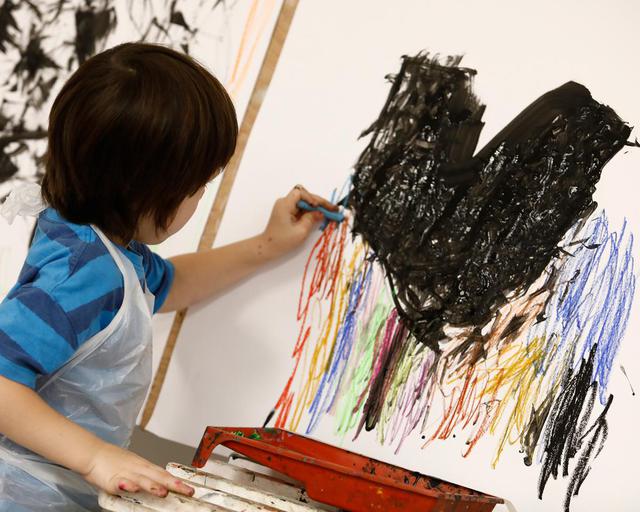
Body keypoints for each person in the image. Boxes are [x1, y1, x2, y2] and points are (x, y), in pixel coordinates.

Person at [0, 42, 334, 511]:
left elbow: (174, 284)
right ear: (143, 190)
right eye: (198, 187)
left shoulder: (106, 248)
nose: (199, 198)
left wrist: (266, 245)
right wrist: (95, 457)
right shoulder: (81, 273)